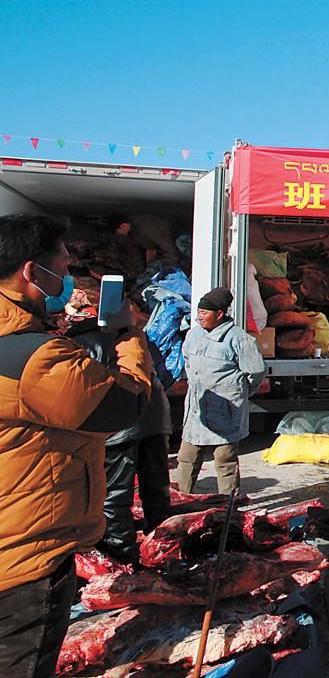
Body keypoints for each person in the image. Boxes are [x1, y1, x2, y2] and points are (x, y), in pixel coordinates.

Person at [0, 214, 153, 678]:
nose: (67, 278)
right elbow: (121, 404)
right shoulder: (36, 357)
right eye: (63, 268)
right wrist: (128, 335)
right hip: (23, 555)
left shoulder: (29, 342)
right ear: (32, 272)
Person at [64, 298, 172, 561]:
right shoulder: (130, 338)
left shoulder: (81, 344)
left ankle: (123, 554)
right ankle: (166, 548)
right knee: (157, 490)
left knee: (114, 495)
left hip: (122, 426)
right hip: (156, 419)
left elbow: (87, 392)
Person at [175, 287, 266, 495]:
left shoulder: (239, 339)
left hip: (225, 411)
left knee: (225, 461)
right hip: (197, 410)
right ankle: (180, 501)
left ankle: (228, 508)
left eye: (204, 313)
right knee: (187, 458)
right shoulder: (194, 334)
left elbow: (256, 372)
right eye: (198, 312)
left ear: (219, 314)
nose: (199, 317)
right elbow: (187, 360)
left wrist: (239, 393)